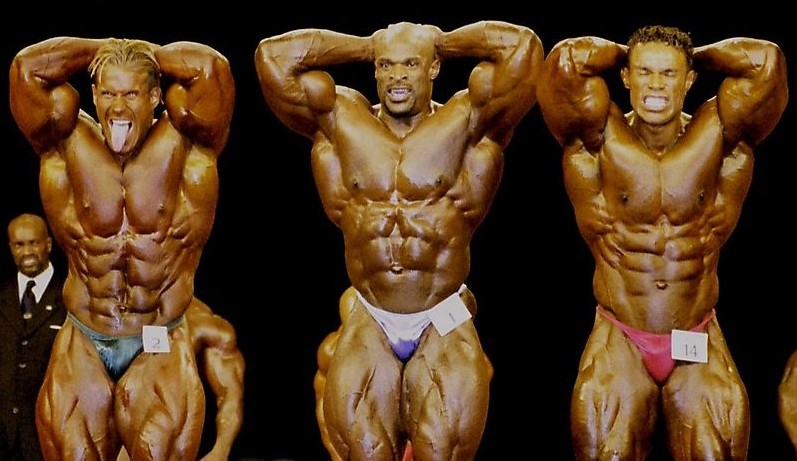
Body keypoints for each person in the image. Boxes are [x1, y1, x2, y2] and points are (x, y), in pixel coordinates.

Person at [255, 20, 543, 460]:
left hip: (441, 312)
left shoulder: (468, 121)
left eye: (410, 64)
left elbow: (523, 48)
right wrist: (368, 45)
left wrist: (439, 41)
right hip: (372, 312)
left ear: (433, 68)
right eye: (386, 66)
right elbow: (272, 57)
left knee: (441, 451)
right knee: (366, 452)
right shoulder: (340, 120)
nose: (397, 76)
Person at [536, 25, 788, 460]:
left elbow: (766, 61)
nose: (655, 84)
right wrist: (628, 52)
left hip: (696, 331)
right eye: (644, 72)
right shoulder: (597, 139)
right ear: (626, 77)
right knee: (608, 453)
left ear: (689, 80)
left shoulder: (721, 136)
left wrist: (692, 54)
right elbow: (566, 61)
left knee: (714, 453)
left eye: (669, 73)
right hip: (620, 334)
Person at [8, 37, 245, 461]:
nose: (118, 107)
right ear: (93, 94)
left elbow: (211, 68)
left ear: (155, 97)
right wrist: (107, 48)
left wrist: (139, 51)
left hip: (157, 335)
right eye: (108, 93)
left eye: (131, 94)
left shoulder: (188, 144)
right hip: (84, 336)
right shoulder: (64, 142)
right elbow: (27, 68)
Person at [0, 213, 67, 461]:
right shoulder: (2, 296)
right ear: (10, 247)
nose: (27, 252)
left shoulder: (70, 297)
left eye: (33, 243)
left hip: (49, 437)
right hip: (4, 438)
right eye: (19, 244)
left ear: (48, 244)